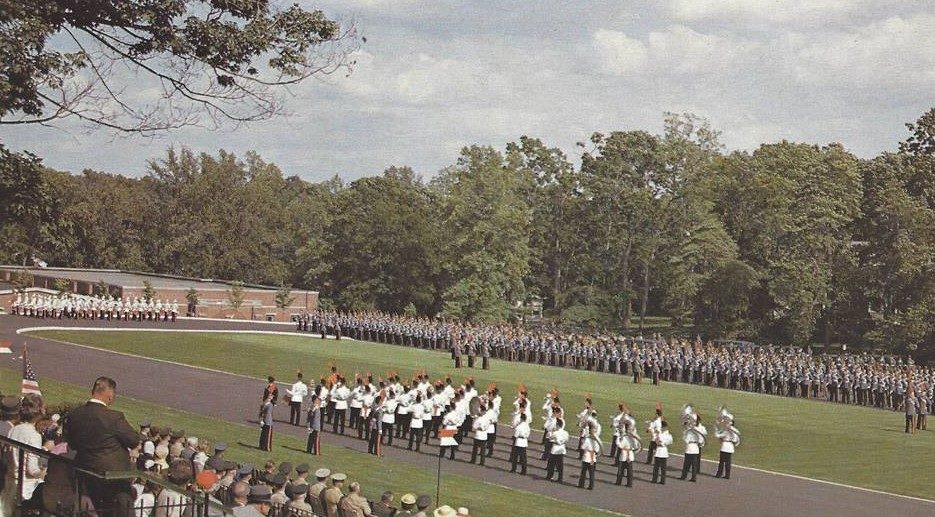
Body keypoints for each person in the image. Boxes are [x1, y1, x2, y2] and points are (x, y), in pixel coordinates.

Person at [64, 376, 141, 517]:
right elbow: (133, 440)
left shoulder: (75, 414)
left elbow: (72, 443)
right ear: (110, 396)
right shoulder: (113, 417)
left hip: (87, 473)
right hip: (114, 478)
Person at [7, 393, 46, 501]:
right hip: (25, 489)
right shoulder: (34, 436)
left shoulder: (13, 429)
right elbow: (32, 469)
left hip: (9, 483)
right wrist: (44, 472)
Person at [545, 418, 569, 483]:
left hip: (555, 449)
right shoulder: (566, 433)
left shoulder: (555, 433)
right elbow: (567, 440)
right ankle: (560, 478)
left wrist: (552, 432)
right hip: (562, 449)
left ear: (558, 425)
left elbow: (550, 438)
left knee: (551, 464)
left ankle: (550, 476)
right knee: (560, 465)